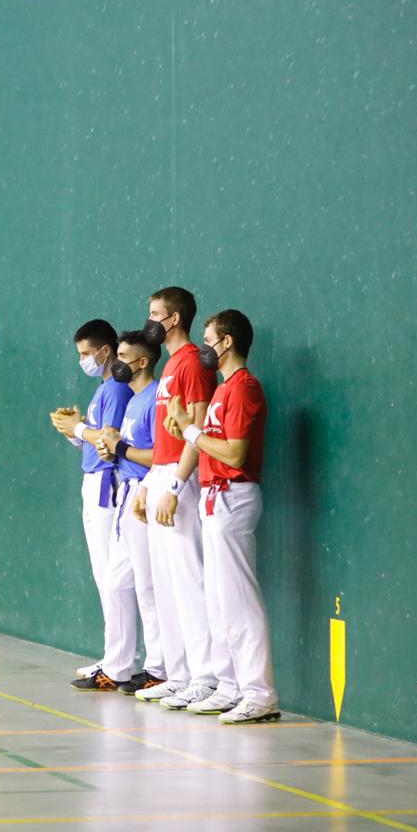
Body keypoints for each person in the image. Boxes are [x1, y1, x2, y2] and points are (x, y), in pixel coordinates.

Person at [164, 309, 279, 724]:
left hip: (234, 497)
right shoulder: (223, 391)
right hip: (215, 500)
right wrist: (183, 427)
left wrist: (191, 432)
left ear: (227, 342)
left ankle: (260, 694)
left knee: (238, 600)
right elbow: (207, 442)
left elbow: (234, 453)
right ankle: (230, 686)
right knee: (217, 601)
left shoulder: (245, 388)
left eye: (210, 340)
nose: (205, 347)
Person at [131, 286, 221, 711]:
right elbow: (166, 438)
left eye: (155, 313)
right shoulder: (169, 367)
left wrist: (175, 486)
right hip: (162, 476)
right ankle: (180, 674)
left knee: (189, 581)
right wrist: (150, 483)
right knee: (166, 585)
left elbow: (198, 429)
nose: (149, 320)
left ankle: (207, 677)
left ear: (176, 318)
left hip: (184, 482)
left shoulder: (193, 365)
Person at [50, 322, 135, 690]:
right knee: (105, 578)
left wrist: (80, 429)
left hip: (107, 486)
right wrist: (75, 429)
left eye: (86, 353)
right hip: (93, 481)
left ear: (106, 350)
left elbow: (108, 440)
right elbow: (93, 437)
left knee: (112, 579)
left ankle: (120, 663)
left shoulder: (115, 388)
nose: (83, 360)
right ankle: (113, 656)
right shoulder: (103, 388)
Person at [94, 332, 167, 695]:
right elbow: (127, 450)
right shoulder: (135, 400)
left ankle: (159, 667)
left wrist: (120, 448)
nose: (116, 361)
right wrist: (113, 451)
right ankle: (117, 667)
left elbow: (159, 456)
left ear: (141, 362)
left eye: (123, 355)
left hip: (144, 496)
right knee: (118, 582)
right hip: (126, 492)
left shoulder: (155, 398)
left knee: (148, 586)